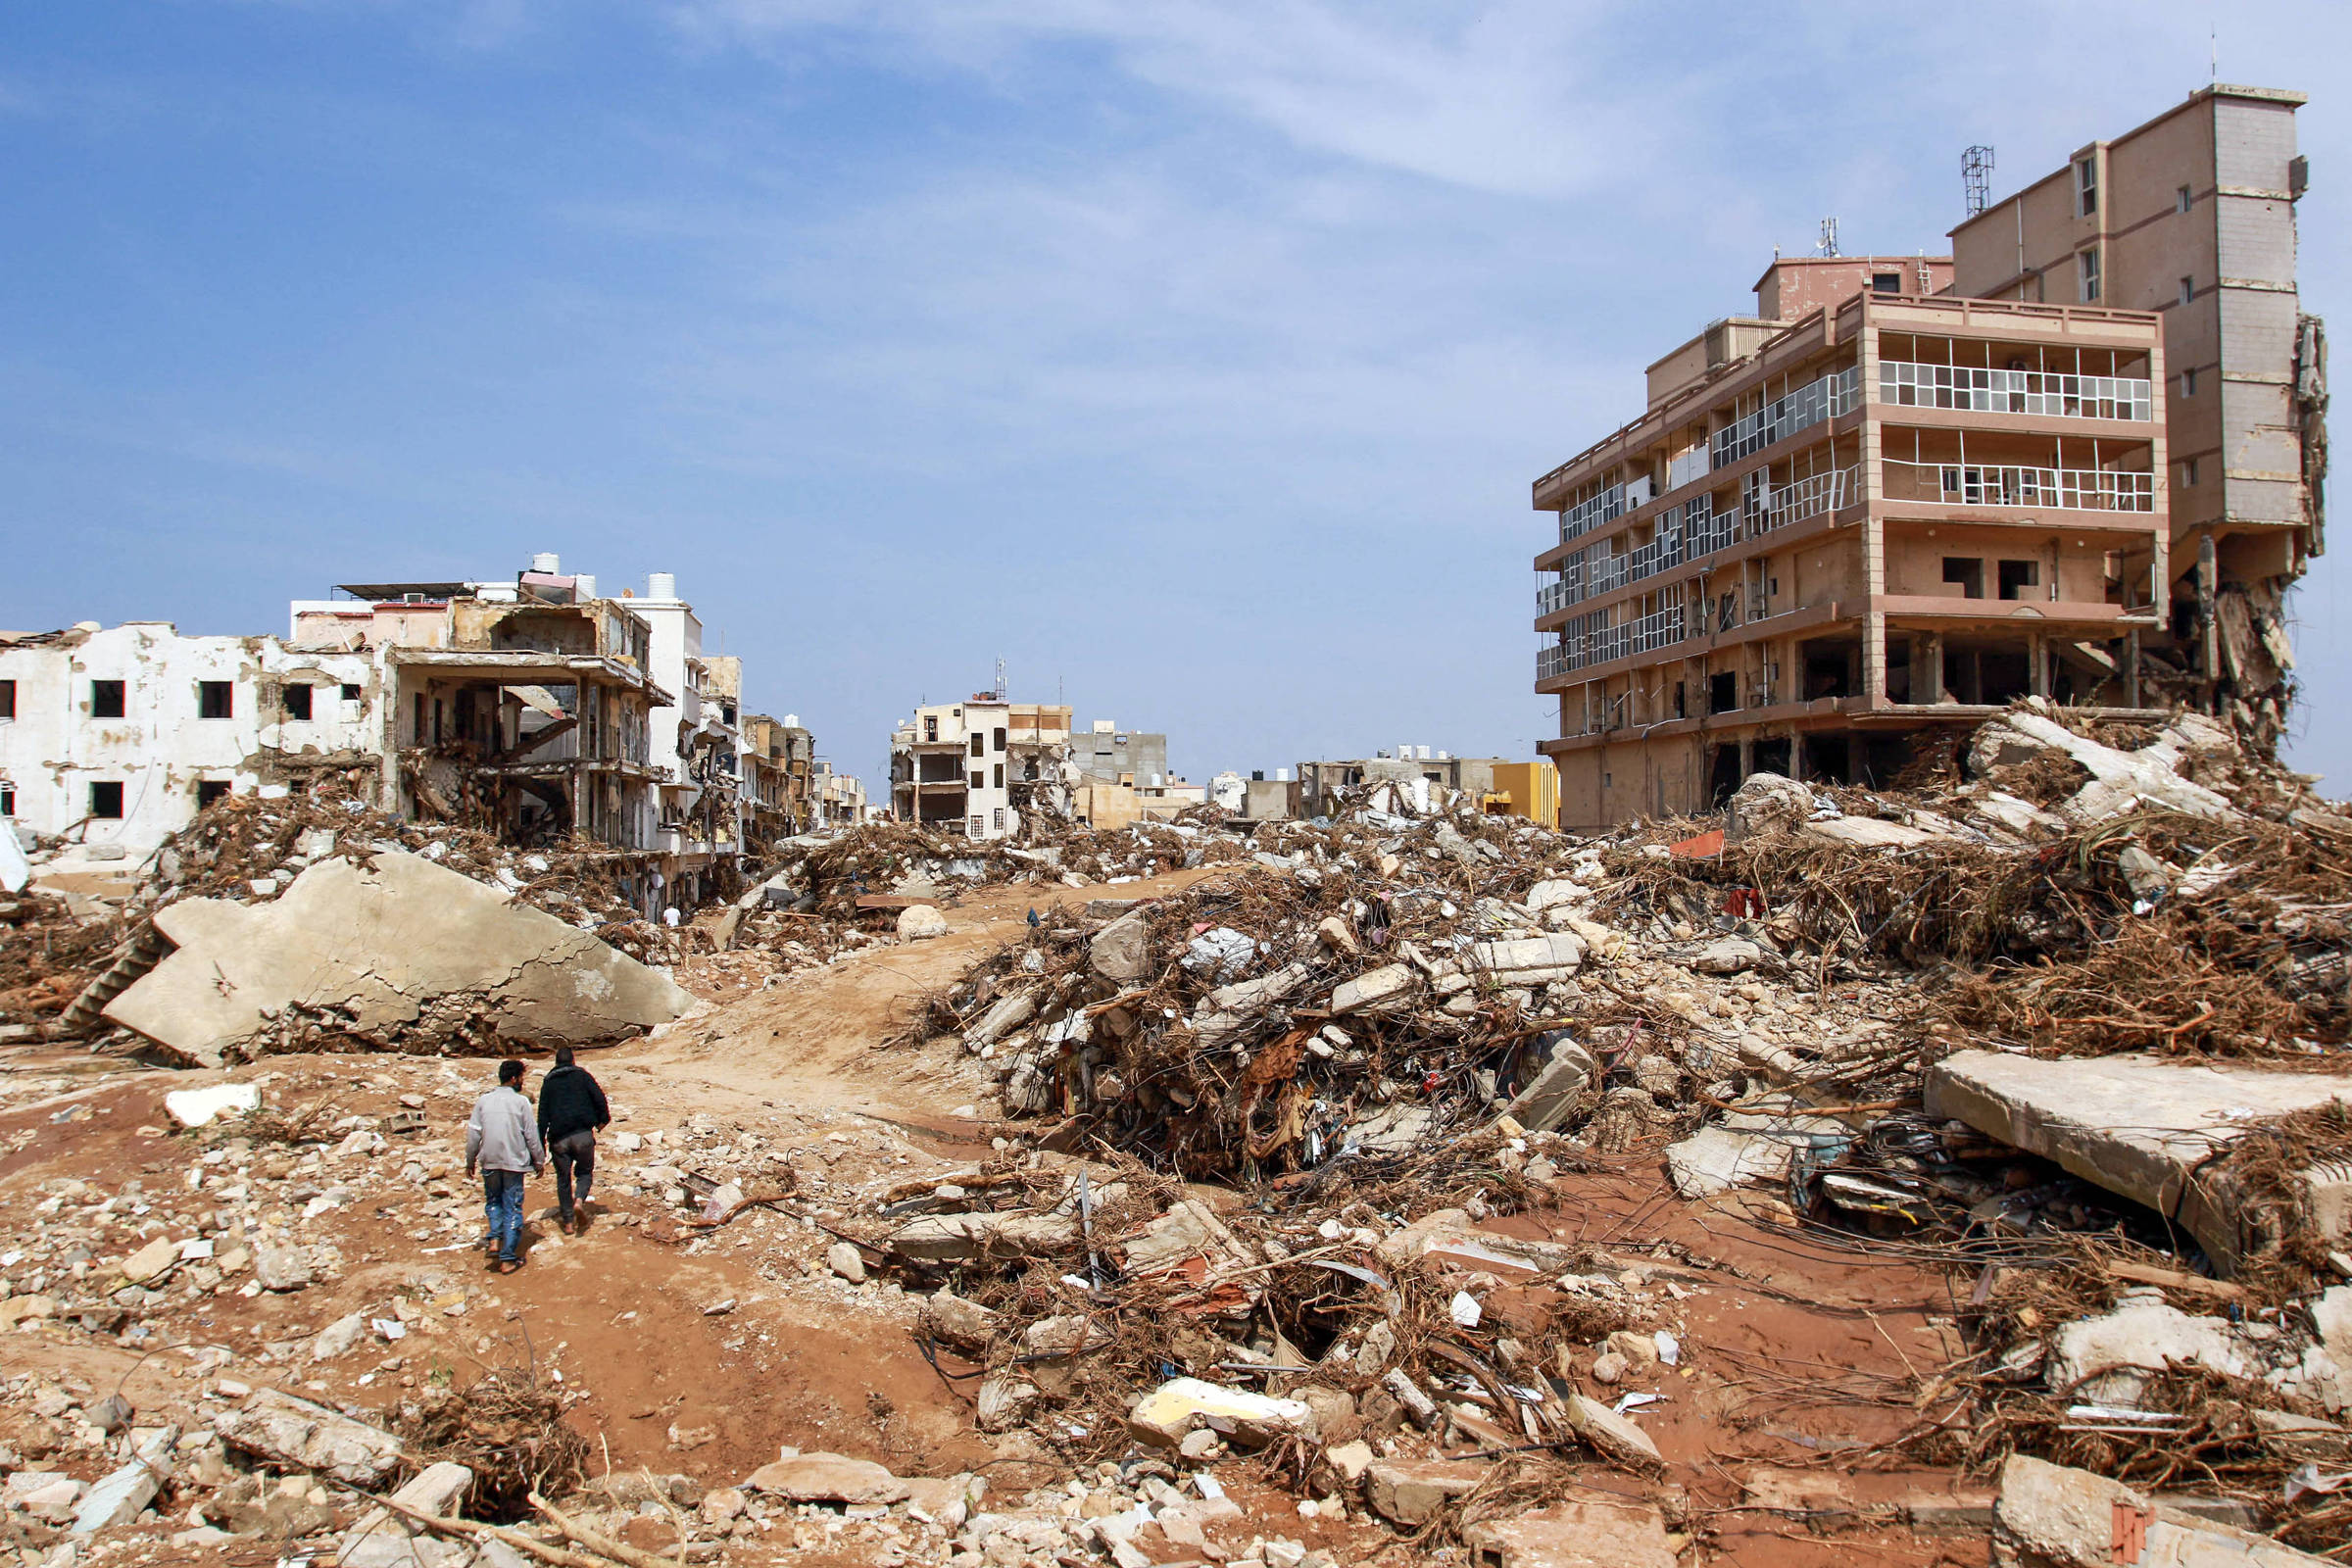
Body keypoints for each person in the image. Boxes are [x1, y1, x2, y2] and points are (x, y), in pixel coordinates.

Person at [465, 1058, 544, 1273]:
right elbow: (531, 1136)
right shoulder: (521, 1103)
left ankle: (495, 1239)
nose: (522, 1082)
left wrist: (470, 1160)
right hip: (513, 1162)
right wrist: (539, 1160)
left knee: (493, 1200)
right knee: (513, 1206)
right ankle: (508, 1258)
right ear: (514, 1078)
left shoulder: (483, 1101)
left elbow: (473, 1134)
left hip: (489, 1159)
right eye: (521, 1078)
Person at [536, 1045, 611, 1234]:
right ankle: (579, 1200)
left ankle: (568, 1222)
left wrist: (541, 1143)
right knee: (585, 1173)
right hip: (582, 1135)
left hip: (559, 1139)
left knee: (563, 1179)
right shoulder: (582, 1076)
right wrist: (603, 1120)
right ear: (573, 1060)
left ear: (556, 1062)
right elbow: (599, 1098)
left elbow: (542, 1115)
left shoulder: (548, 1082)